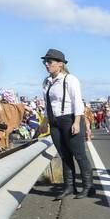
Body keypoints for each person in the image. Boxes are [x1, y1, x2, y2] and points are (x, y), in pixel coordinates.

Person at [41, 49, 95, 200]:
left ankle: (88, 187)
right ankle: (69, 187)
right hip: (55, 122)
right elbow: (47, 104)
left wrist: (77, 122)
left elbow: (77, 102)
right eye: (45, 62)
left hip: (70, 119)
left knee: (79, 155)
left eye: (49, 62)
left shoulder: (70, 79)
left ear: (60, 64)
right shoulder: (47, 82)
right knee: (64, 156)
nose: (46, 64)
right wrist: (45, 122)